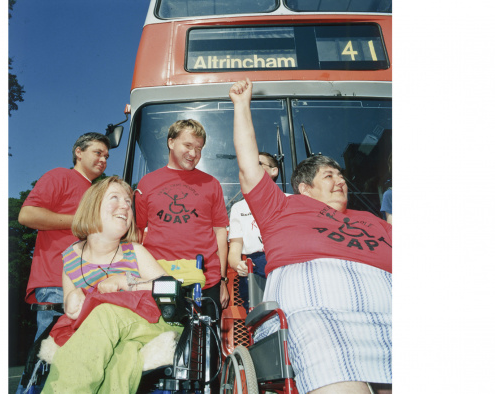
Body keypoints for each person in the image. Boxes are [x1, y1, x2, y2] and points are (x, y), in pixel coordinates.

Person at [230, 78, 392, 394]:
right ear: (304, 189)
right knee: (325, 346)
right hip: (318, 321)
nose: (340, 181)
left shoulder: (373, 221)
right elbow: (250, 167)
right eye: (329, 176)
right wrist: (241, 106)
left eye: (341, 175)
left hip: (388, 318)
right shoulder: (282, 209)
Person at [42, 176, 182, 394]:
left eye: (128, 201)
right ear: (91, 207)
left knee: (106, 313)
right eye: (115, 198)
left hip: (150, 322)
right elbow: (71, 302)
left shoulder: (134, 252)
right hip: (105, 334)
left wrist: (127, 282)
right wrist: (72, 299)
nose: (125, 205)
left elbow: (171, 288)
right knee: (121, 357)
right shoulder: (70, 257)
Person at [18, 132, 110, 341]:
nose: (103, 160)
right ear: (79, 152)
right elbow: (27, 215)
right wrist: (83, 222)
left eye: (106, 156)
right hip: (57, 283)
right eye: (98, 153)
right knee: (52, 358)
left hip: (90, 285)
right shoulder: (60, 176)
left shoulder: (97, 193)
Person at [134, 119, 230, 317]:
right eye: (187, 145)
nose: (194, 154)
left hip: (205, 280)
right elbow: (135, 232)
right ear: (171, 142)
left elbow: (220, 231)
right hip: (159, 277)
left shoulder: (211, 184)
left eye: (199, 148)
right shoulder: (147, 183)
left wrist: (222, 280)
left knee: (206, 345)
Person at [228, 151, 288, 313]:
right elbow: (235, 247)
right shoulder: (238, 208)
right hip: (256, 266)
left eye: (259, 164)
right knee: (260, 316)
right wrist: (237, 264)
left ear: (274, 171)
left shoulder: (291, 200)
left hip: (288, 263)